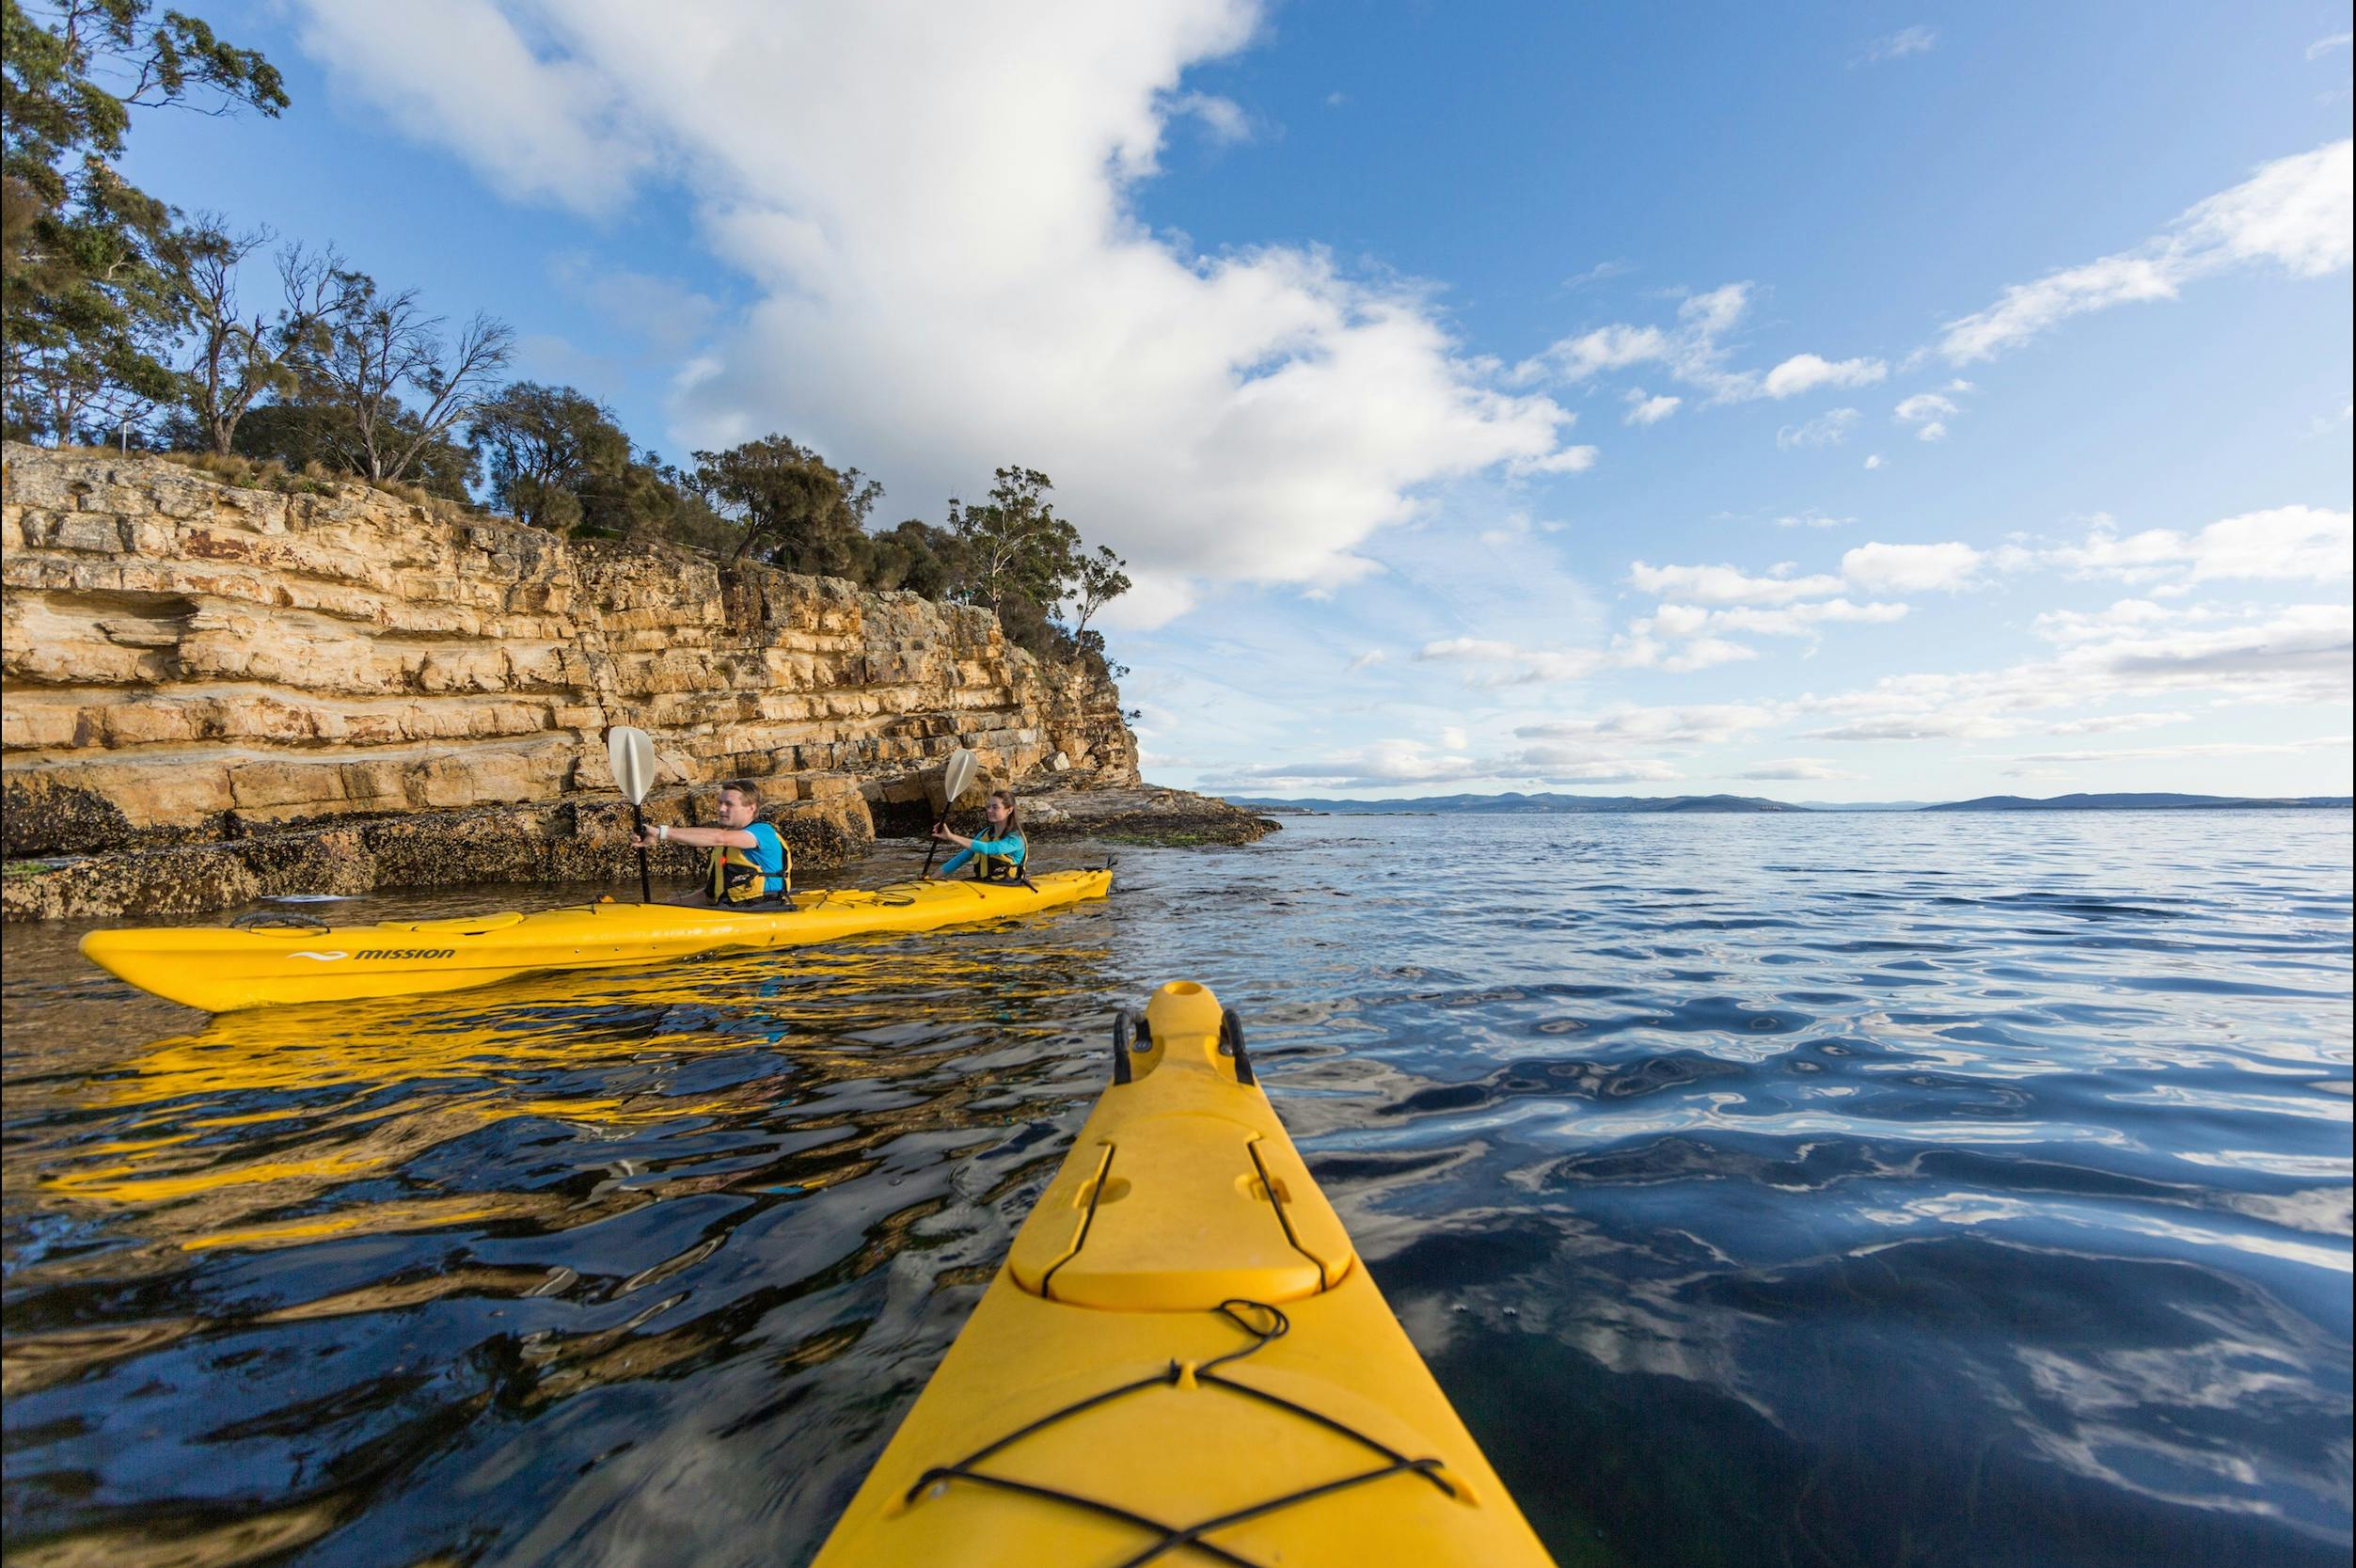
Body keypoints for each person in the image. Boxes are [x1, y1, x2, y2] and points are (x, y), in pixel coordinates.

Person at [631, 779, 790, 903]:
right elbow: (710, 896)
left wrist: (661, 832)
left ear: (751, 808)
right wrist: (664, 906)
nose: (721, 809)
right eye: (720, 803)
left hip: (766, 907)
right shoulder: (726, 844)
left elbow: (719, 837)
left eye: (729, 804)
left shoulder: (762, 832)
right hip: (729, 908)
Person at [932, 789, 1027, 880]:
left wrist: (951, 837)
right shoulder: (985, 834)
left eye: (995, 807)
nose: (989, 810)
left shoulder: (1015, 839)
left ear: (1009, 810)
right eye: (988, 806)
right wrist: (932, 879)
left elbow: (988, 848)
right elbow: (961, 859)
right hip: (983, 883)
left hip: (1009, 886)